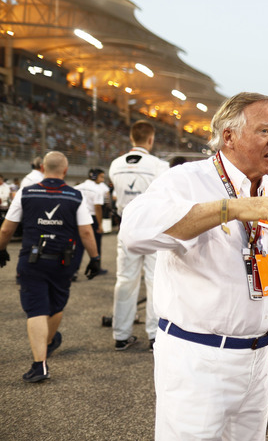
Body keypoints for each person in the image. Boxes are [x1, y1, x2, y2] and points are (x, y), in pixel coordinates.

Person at [118, 92, 268, 441]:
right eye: (265, 130)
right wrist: (231, 208)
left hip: (257, 356)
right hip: (199, 358)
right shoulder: (186, 180)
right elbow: (133, 232)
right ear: (229, 136)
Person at [0, 151, 100, 382]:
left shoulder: (26, 193)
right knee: (56, 304)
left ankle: (39, 365)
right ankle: (47, 341)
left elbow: (6, 229)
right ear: (65, 171)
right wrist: (94, 259)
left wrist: (2, 249)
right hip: (63, 261)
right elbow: (86, 231)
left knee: (36, 309)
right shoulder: (75, 195)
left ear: (42, 168)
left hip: (32, 260)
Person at [108, 120, 169, 351]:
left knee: (125, 280)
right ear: (151, 139)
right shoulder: (158, 165)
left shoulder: (115, 164)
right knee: (155, 281)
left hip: (127, 227)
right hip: (152, 227)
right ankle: (155, 336)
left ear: (132, 138)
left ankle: (121, 335)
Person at [74, 168, 108, 275]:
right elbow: (97, 208)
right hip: (92, 218)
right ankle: (96, 268)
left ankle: (74, 271)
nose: (102, 180)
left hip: (77, 217)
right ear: (94, 176)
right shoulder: (97, 190)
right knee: (95, 244)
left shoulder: (77, 188)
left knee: (78, 246)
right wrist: (100, 224)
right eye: (101, 177)